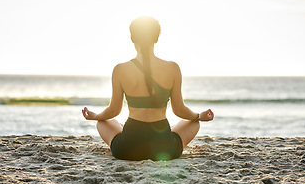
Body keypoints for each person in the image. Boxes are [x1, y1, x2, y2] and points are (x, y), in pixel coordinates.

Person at [82, 16, 214, 161]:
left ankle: (120, 128)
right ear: (156, 38)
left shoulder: (120, 69)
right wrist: (198, 116)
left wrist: (95, 116)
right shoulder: (173, 68)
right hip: (164, 149)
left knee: (103, 121)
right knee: (193, 122)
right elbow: (179, 110)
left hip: (128, 149)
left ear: (132, 38)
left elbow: (114, 110)